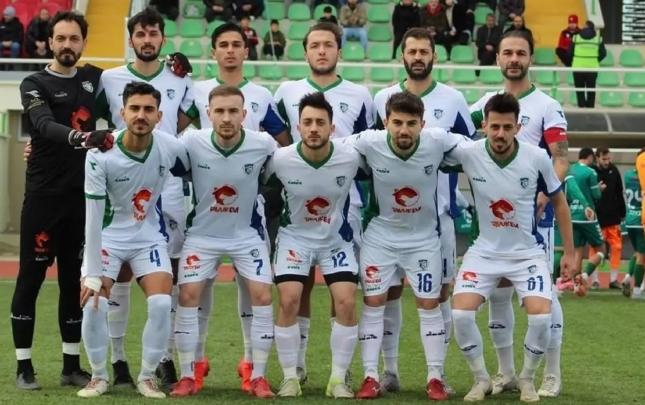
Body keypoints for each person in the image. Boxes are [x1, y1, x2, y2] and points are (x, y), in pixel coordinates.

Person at [10, 11, 112, 391]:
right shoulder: (34, 82)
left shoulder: (95, 79)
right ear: (50, 42)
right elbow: (41, 124)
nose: (67, 45)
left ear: (83, 42)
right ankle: (24, 367)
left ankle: (71, 365)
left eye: (74, 38)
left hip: (80, 200)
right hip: (43, 200)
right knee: (30, 280)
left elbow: (131, 96)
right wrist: (82, 138)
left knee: (74, 283)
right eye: (61, 38)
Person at [95, 7, 196, 389]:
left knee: (167, 275)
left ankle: (164, 357)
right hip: (123, 184)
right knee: (119, 272)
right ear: (132, 39)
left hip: (166, 185)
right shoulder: (110, 78)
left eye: (154, 34)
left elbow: (183, 123)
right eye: (141, 34)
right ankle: (119, 360)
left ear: (162, 39)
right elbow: (94, 126)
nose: (147, 40)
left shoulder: (180, 77)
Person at [450, 93, 575, 402]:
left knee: (541, 317)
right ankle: (482, 379)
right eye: (494, 127)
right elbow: (429, 146)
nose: (500, 134)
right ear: (484, 127)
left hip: (526, 253)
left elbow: (560, 203)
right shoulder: (468, 153)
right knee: (461, 315)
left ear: (518, 127)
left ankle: (527, 379)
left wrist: (571, 254)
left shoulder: (536, 157)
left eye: (507, 127)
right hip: (484, 252)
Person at [372, 27, 476, 394]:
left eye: (424, 51)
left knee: (439, 295)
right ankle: (389, 371)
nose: (418, 57)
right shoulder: (382, 98)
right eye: (412, 51)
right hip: (388, 221)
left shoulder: (453, 99)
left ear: (434, 55)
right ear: (402, 55)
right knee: (387, 293)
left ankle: (437, 374)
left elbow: (471, 150)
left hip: (436, 220)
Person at [469, 30, 569, 398]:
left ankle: (552, 373)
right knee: (497, 295)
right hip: (494, 222)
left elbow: (561, 158)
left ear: (530, 58)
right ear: (497, 58)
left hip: (534, 220)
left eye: (521, 53)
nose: (514, 59)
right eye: (507, 53)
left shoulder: (547, 105)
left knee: (545, 298)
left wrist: (545, 193)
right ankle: (506, 372)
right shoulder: (484, 104)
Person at [192, 21, 289, 393]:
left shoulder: (262, 94)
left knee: (253, 289)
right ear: (213, 51)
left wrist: (267, 186)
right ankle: (195, 362)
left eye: (237, 44)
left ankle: (250, 362)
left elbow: (282, 144)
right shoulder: (196, 90)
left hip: (247, 211)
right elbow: (178, 134)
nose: (231, 50)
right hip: (203, 209)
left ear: (246, 51)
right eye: (224, 44)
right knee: (196, 288)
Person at [274, 22, 374, 384]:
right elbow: (278, 139)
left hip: (345, 206)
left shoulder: (360, 94)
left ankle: (340, 374)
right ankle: (296, 368)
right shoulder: (286, 91)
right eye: (314, 45)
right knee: (295, 291)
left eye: (328, 45)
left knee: (342, 293)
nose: (321, 50)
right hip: (299, 207)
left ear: (339, 50)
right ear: (305, 52)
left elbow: (367, 146)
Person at [352, 91, 468, 400]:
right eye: (397, 123)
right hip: (380, 238)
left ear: (422, 124)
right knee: (374, 303)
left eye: (411, 123)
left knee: (429, 305)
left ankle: (435, 377)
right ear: (386, 122)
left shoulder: (437, 141)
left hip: (423, 239)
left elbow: (477, 152)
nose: (404, 130)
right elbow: (329, 150)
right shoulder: (369, 142)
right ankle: (371, 376)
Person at [77, 81, 189, 399]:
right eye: (135, 108)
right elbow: (93, 216)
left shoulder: (170, 147)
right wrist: (93, 273)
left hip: (147, 237)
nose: (141, 115)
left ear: (159, 116)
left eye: (148, 109)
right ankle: (99, 376)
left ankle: (147, 377)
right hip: (108, 237)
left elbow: (201, 164)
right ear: (122, 113)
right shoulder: (100, 154)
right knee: (94, 303)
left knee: (162, 303)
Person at [170, 85, 277, 398]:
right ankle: (189, 373)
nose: (226, 118)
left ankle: (257, 374)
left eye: (233, 111)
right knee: (187, 295)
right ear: (208, 114)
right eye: (219, 111)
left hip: (247, 234)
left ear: (244, 114)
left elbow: (285, 168)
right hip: (202, 234)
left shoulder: (262, 144)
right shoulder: (191, 141)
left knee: (262, 295)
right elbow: (161, 155)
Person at [266, 92, 363, 398]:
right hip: (295, 238)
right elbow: (260, 187)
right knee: (289, 300)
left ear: (332, 128)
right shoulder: (281, 159)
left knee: (346, 301)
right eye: (307, 122)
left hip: (336, 240)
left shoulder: (351, 157)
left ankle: (338, 379)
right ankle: (290, 377)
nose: (313, 128)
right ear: (298, 127)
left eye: (320, 122)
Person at [570, 147, 605, 288]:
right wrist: (599, 189)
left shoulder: (570, 170)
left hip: (572, 214)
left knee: (577, 251)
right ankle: (585, 275)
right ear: (590, 157)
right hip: (587, 215)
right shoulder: (591, 172)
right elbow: (596, 195)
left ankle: (575, 285)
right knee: (602, 249)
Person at [591, 147, 626, 289]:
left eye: (608, 159)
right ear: (597, 158)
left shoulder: (614, 170)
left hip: (613, 217)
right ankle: (595, 280)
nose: (607, 162)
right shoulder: (592, 171)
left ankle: (614, 279)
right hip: (597, 218)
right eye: (604, 159)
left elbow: (619, 192)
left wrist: (622, 212)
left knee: (617, 247)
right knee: (595, 249)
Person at [623, 149, 645, 299]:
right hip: (640, 219)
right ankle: (637, 290)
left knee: (638, 252)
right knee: (642, 256)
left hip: (630, 218)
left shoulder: (628, 175)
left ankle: (627, 277)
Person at [569, 20, 606, 108]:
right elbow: (603, 53)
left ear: (584, 27)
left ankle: (581, 108)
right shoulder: (598, 38)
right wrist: (595, 60)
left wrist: (575, 60)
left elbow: (570, 52)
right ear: (593, 28)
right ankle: (590, 109)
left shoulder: (576, 38)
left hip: (577, 67)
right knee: (591, 90)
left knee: (579, 90)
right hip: (592, 68)